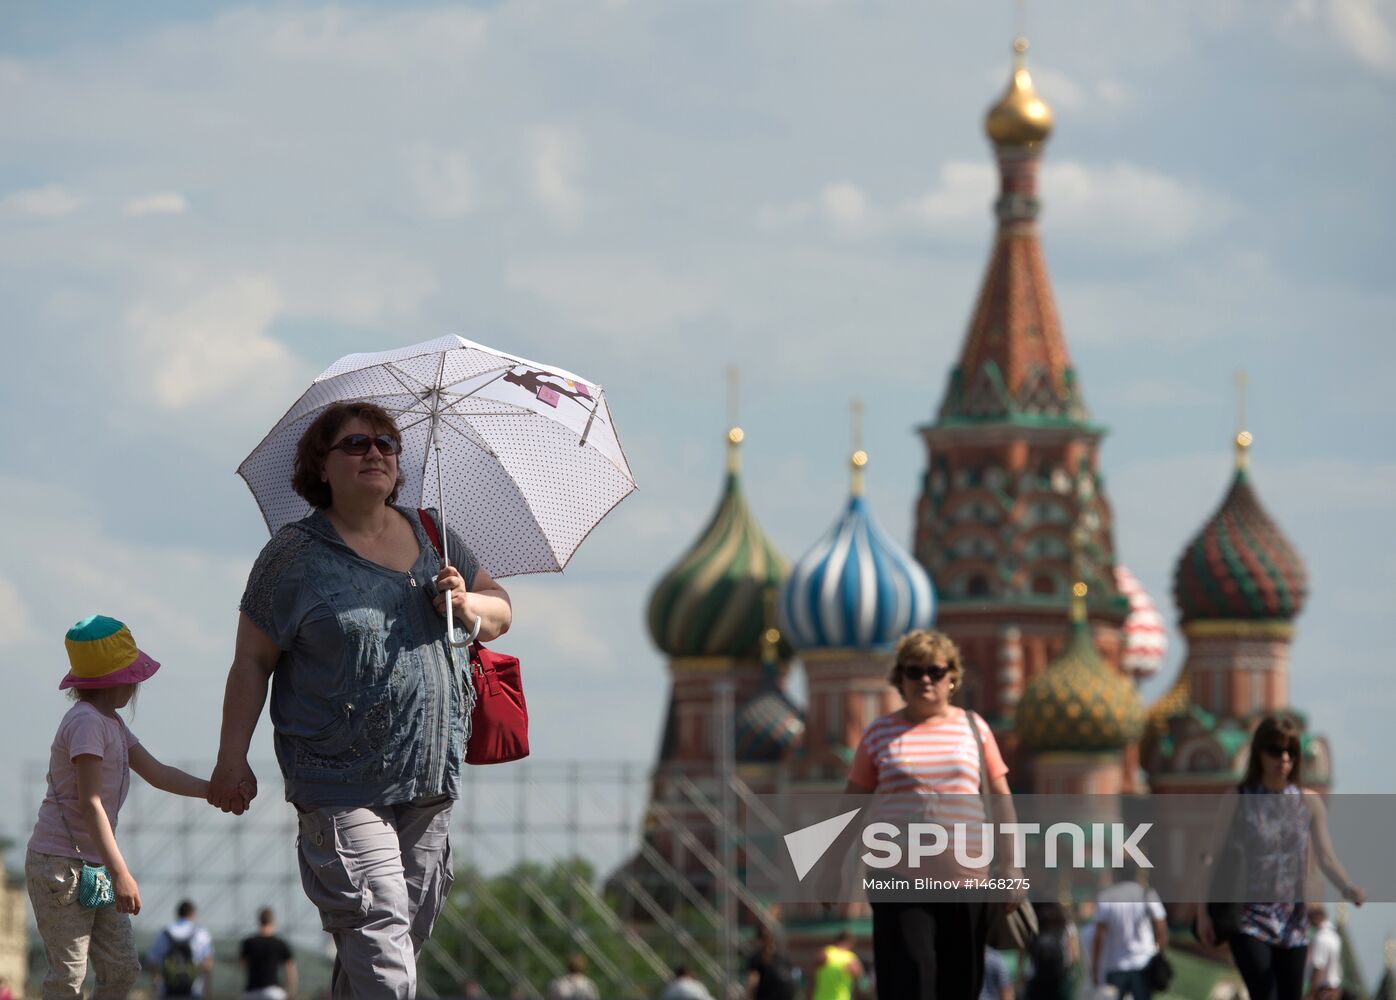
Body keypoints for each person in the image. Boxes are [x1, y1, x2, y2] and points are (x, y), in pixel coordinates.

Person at [207, 401, 513, 999]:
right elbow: (251, 662)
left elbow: (500, 611)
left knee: (387, 946)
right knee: (380, 931)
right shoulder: (292, 557)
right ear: (320, 465)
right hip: (339, 785)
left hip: (429, 780)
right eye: (356, 444)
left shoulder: (433, 532)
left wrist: (469, 604)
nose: (375, 452)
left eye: (387, 444)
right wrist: (230, 758)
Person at [26, 615, 211, 999]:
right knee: (68, 979)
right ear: (118, 677)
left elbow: (158, 772)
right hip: (62, 866)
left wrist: (212, 791)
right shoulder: (86, 723)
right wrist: (121, 873)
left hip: (96, 865)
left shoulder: (112, 724)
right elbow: (90, 803)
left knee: (121, 969)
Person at [845, 629, 1013, 999]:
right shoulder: (879, 733)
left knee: (961, 983)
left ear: (952, 678)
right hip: (899, 877)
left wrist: (1013, 869)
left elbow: (1001, 800)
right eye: (914, 671)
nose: (925, 680)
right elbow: (852, 804)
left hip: (966, 880)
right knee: (913, 975)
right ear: (899, 680)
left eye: (935, 672)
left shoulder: (974, 728)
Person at [1196, 715, 1365, 1000]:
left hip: (1293, 922)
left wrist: (1348, 887)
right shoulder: (1239, 798)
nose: (1283, 758)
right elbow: (1211, 857)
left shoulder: (1307, 802)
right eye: (1275, 750)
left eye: (1291, 751)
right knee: (1265, 993)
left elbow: (1325, 856)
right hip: (1250, 919)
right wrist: (1202, 915)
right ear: (1259, 753)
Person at [1091, 876, 1165, 1000]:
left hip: (1116, 963)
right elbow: (1160, 925)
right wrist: (1161, 952)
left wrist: (1095, 967)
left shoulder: (1107, 896)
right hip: (1144, 961)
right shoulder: (1147, 893)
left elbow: (1099, 936)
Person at [147, 900, 215, 997]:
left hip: (167, 992)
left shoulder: (163, 934)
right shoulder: (201, 934)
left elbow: (152, 962)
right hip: (193, 992)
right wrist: (208, 991)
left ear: (177, 914)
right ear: (192, 914)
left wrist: (156, 984)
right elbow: (207, 965)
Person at [240, 907, 298, 999]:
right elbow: (290, 970)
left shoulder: (248, 943)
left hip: (252, 991)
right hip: (272, 992)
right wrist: (291, 992)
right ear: (273, 922)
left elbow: (243, 965)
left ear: (259, 921)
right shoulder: (279, 944)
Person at [1025, 903, 1078, 1000]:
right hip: (1061, 978)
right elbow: (1074, 955)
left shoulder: (1034, 922)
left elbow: (1025, 950)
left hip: (1037, 978)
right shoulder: (1067, 924)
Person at [745, 925, 798, 1000]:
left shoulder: (757, 957)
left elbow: (753, 980)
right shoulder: (782, 957)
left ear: (759, 940)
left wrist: (748, 997)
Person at [810, 930, 864, 1000]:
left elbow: (811, 976)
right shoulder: (850, 958)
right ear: (850, 943)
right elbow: (860, 978)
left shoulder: (825, 953)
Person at [1304, 906, 1342, 1000]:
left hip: (1323, 991)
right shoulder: (1334, 935)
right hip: (1333, 990)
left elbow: (1319, 967)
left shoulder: (1321, 937)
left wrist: (1311, 993)